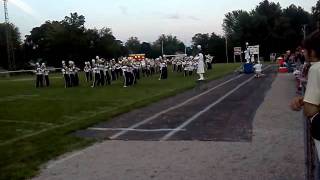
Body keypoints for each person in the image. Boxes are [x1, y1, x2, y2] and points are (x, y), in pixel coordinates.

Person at [290, 30, 320, 158]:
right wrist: (304, 99)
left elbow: (310, 110)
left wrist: (306, 102)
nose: (303, 53)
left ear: (312, 52)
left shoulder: (316, 68)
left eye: (304, 50)